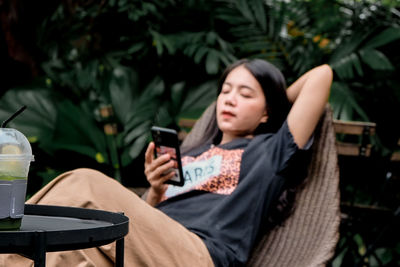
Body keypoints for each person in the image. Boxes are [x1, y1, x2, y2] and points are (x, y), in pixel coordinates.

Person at [0, 59, 332, 267]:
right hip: (150, 248)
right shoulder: (189, 155)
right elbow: (147, 223)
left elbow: (321, 75)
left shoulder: (270, 152)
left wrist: (274, 103)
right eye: (226, 90)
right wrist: (156, 191)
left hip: (198, 255)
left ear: (267, 111)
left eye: (246, 94)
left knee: (85, 183)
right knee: (65, 256)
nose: (230, 98)